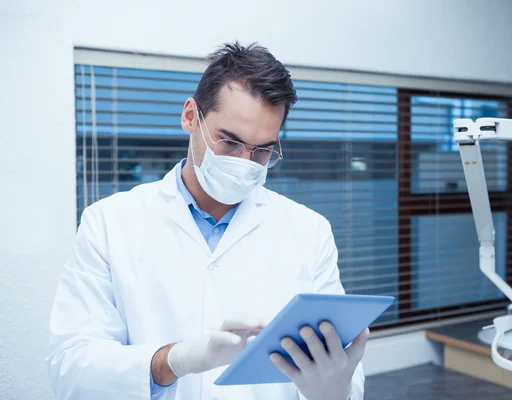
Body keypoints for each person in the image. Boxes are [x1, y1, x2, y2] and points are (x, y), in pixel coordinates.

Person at [47, 42, 367, 400]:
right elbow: (71, 367)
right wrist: (174, 360)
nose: (245, 162)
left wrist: (334, 392)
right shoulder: (108, 223)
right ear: (190, 117)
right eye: (229, 141)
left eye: (262, 150)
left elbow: (340, 368)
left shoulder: (310, 231)